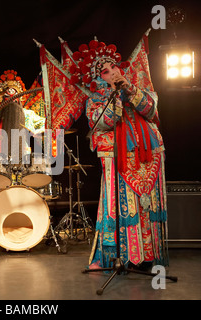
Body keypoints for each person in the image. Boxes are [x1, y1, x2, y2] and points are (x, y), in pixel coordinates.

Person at [70, 39, 168, 270]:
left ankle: (148, 256)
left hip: (149, 155)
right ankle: (122, 256)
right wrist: (115, 95)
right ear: (97, 78)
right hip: (118, 157)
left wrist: (129, 89)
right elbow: (103, 122)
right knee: (121, 204)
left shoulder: (138, 89)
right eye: (105, 71)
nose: (113, 72)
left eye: (114, 68)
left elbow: (150, 110)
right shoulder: (95, 100)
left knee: (147, 204)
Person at [0, 70, 45, 165]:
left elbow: (44, 124)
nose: (11, 101)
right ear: (1, 98)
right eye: (7, 97)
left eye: (14, 98)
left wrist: (40, 130)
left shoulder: (27, 114)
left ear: (20, 99)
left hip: (22, 155)